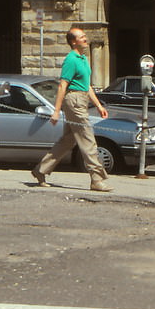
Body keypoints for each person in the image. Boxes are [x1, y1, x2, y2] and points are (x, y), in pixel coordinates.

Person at [31, 27, 112, 192]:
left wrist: (98, 105)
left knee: (68, 140)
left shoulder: (82, 58)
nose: (85, 38)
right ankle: (96, 179)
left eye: (84, 36)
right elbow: (62, 85)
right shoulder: (71, 59)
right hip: (74, 100)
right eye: (81, 37)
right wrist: (56, 111)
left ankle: (41, 170)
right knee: (88, 139)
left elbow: (87, 86)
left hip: (81, 99)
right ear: (73, 41)